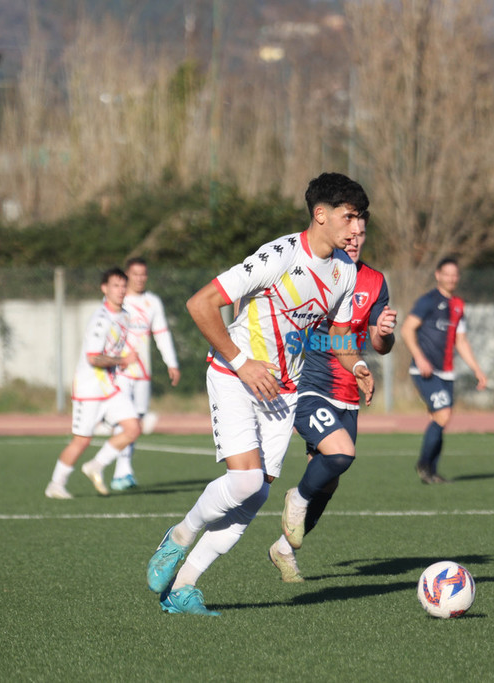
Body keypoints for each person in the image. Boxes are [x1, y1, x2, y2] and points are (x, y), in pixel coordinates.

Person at [144, 172, 374, 616]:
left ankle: (184, 588)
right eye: (349, 217)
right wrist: (241, 362)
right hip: (234, 374)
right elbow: (200, 303)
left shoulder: (346, 272)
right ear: (320, 215)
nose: (357, 228)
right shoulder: (280, 255)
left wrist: (359, 365)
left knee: (256, 496)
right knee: (246, 481)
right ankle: (179, 535)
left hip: (283, 392)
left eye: (361, 218)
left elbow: (339, 336)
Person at [268, 214, 397, 583]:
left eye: (361, 234)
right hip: (309, 385)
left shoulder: (375, 281)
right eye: (350, 232)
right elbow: (291, 323)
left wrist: (384, 332)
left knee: (329, 480)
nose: (355, 239)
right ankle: (295, 499)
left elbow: (381, 345)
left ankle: (284, 549)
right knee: (341, 454)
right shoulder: (316, 271)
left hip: (347, 395)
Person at [44, 268, 141, 499]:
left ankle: (96, 465)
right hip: (89, 390)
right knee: (82, 440)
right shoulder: (100, 320)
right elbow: (93, 358)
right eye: (115, 286)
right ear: (104, 288)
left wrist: (119, 364)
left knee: (133, 428)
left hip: (109, 387)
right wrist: (123, 360)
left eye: (123, 285)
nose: (120, 290)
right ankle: (55, 485)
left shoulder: (125, 316)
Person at [401, 257, 487, 484]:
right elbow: (407, 329)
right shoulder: (427, 301)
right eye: (446, 274)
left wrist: (477, 369)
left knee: (440, 418)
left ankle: (431, 472)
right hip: (425, 371)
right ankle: (423, 464)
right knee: (443, 414)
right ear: (438, 275)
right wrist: (420, 358)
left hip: (447, 372)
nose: (451, 278)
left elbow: (461, 341)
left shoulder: (458, 305)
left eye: (454, 274)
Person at [107, 257, 181, 491]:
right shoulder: (117, 299)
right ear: (127, 275)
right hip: (120, 371)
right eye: (135, 274)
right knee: (125, 420)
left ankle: (124, 471)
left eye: (143, 274)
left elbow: (162, 333)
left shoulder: (152, 302)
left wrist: (171, 363)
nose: (139, 278)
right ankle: (120, 472)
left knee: (136, 421)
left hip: (142, 372)